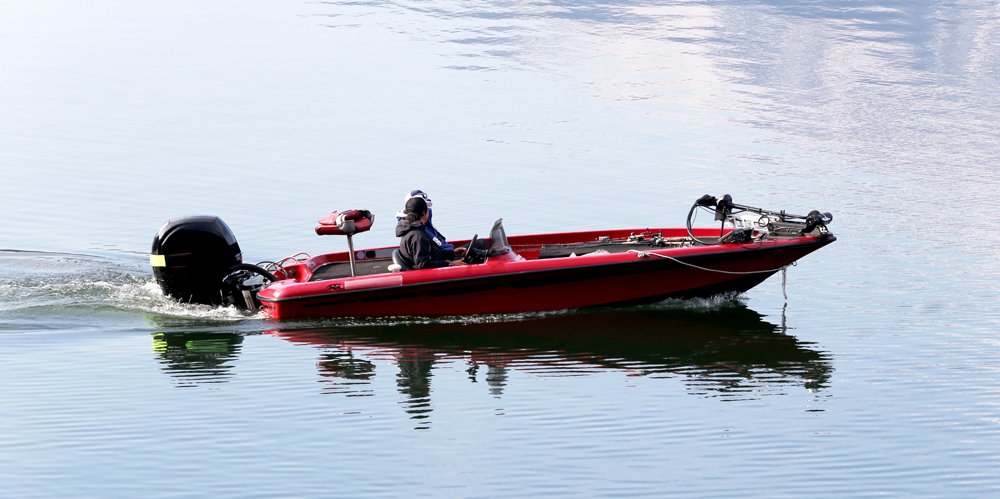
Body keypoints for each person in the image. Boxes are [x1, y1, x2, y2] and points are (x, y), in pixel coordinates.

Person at [396, 196, 466, 269]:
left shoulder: (413, 230)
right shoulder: (418, 236)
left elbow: (433, 253)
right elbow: (423, 264)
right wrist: (451, 264)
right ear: (424, 213)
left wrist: (453, 253)